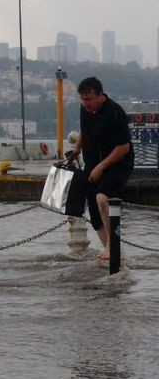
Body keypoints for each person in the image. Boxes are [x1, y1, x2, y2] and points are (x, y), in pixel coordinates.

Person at [68, 77, 134, 260]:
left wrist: (101, 167)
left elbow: (123, 147)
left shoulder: (114, 113)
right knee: (94, 212)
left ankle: (113, 247)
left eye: (88, 99)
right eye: (82, 99)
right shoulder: (85, 109)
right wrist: (77, 148)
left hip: (117, 163)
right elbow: (84, 128)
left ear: (99, 95)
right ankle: (111, 252)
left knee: (102, 198)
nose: (85, 103)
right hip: (92, 163)